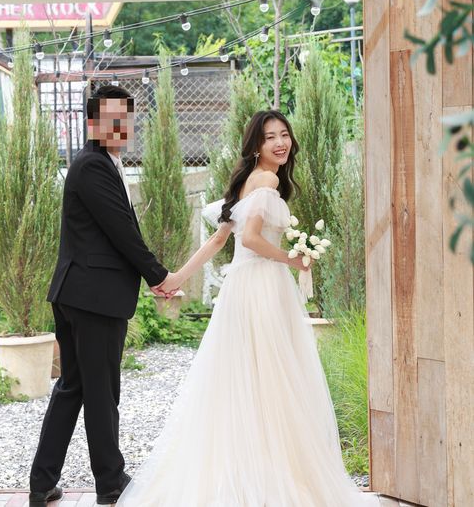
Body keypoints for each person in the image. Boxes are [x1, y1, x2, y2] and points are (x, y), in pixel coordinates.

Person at [116, 110, 380, 506]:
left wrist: (175, 278)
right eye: (270, 137)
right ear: (256, 145)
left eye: (284, 134)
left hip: (241, 289)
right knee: (272, 379)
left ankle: (249, 472)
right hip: (262, 287)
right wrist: (292, 259)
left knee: (245, 379)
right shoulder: (268, 180)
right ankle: (270, 476)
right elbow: (253, 239)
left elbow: (218, 241)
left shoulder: (246, 182)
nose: (280, 142)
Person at [28, 84, 179, 507]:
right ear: (93, 122)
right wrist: (159, 276)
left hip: (81, 293)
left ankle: (42, 483)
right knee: (100, 391)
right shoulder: (92, 166)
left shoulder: (101, 163)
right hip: (92, 296)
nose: (119, 125)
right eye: (110, 118)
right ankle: (110, 482)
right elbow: (121, 230)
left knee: (73, 386)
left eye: (124, 117)